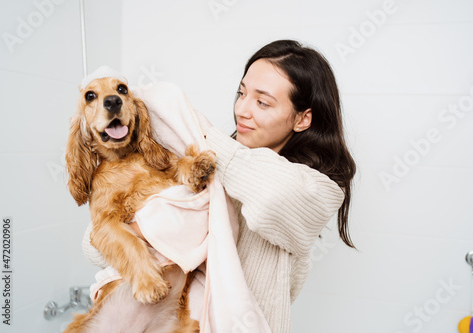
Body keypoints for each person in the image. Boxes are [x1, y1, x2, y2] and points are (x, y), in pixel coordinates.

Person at [84, 39, 356, 332]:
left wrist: (203, 134)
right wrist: (140, 232)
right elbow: (92, 245)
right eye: (242, 93)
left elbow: (271, 199)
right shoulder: (212, 167)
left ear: (303, 119)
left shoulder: (319, 189)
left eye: (262, 102)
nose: (242, 110)